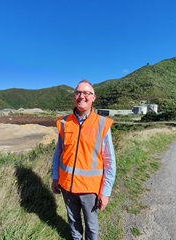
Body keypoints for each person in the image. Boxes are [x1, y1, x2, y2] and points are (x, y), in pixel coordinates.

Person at [52, 80, 116, 240]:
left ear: (93, 97)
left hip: (89, 188)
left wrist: (106, 191)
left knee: (91, 225)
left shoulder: (102, 124)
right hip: (67, 185)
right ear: (74, 96)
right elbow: (58, 153)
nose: (82, 96)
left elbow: (109, 161)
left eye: (86, 93)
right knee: (73, 222)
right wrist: (55, 177)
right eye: (78, 92)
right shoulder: (64, 122)